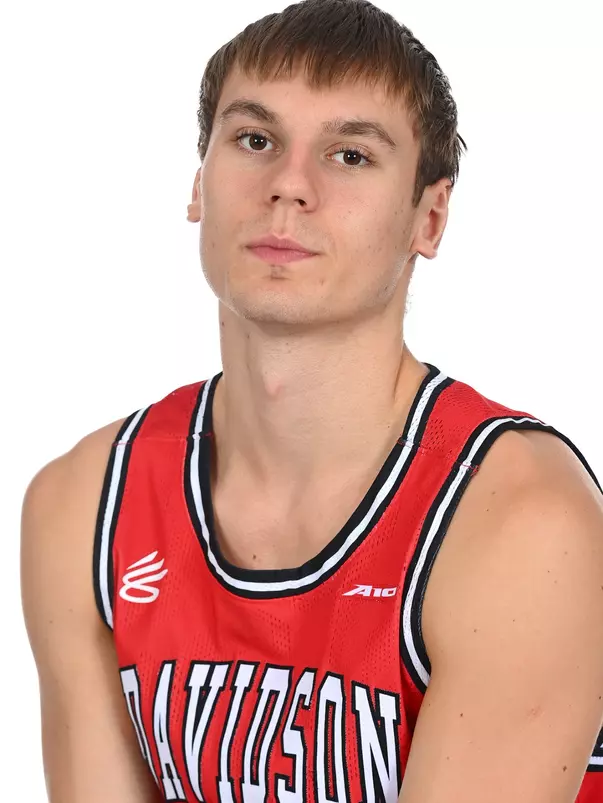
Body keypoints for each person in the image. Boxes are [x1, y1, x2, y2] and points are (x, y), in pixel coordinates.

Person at [21, 0, 603, 801]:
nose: (288, 186)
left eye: (350, 155)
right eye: (254, 141)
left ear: (427, 218)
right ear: (199, 184)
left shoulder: (520, 520)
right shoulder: (83, 505)